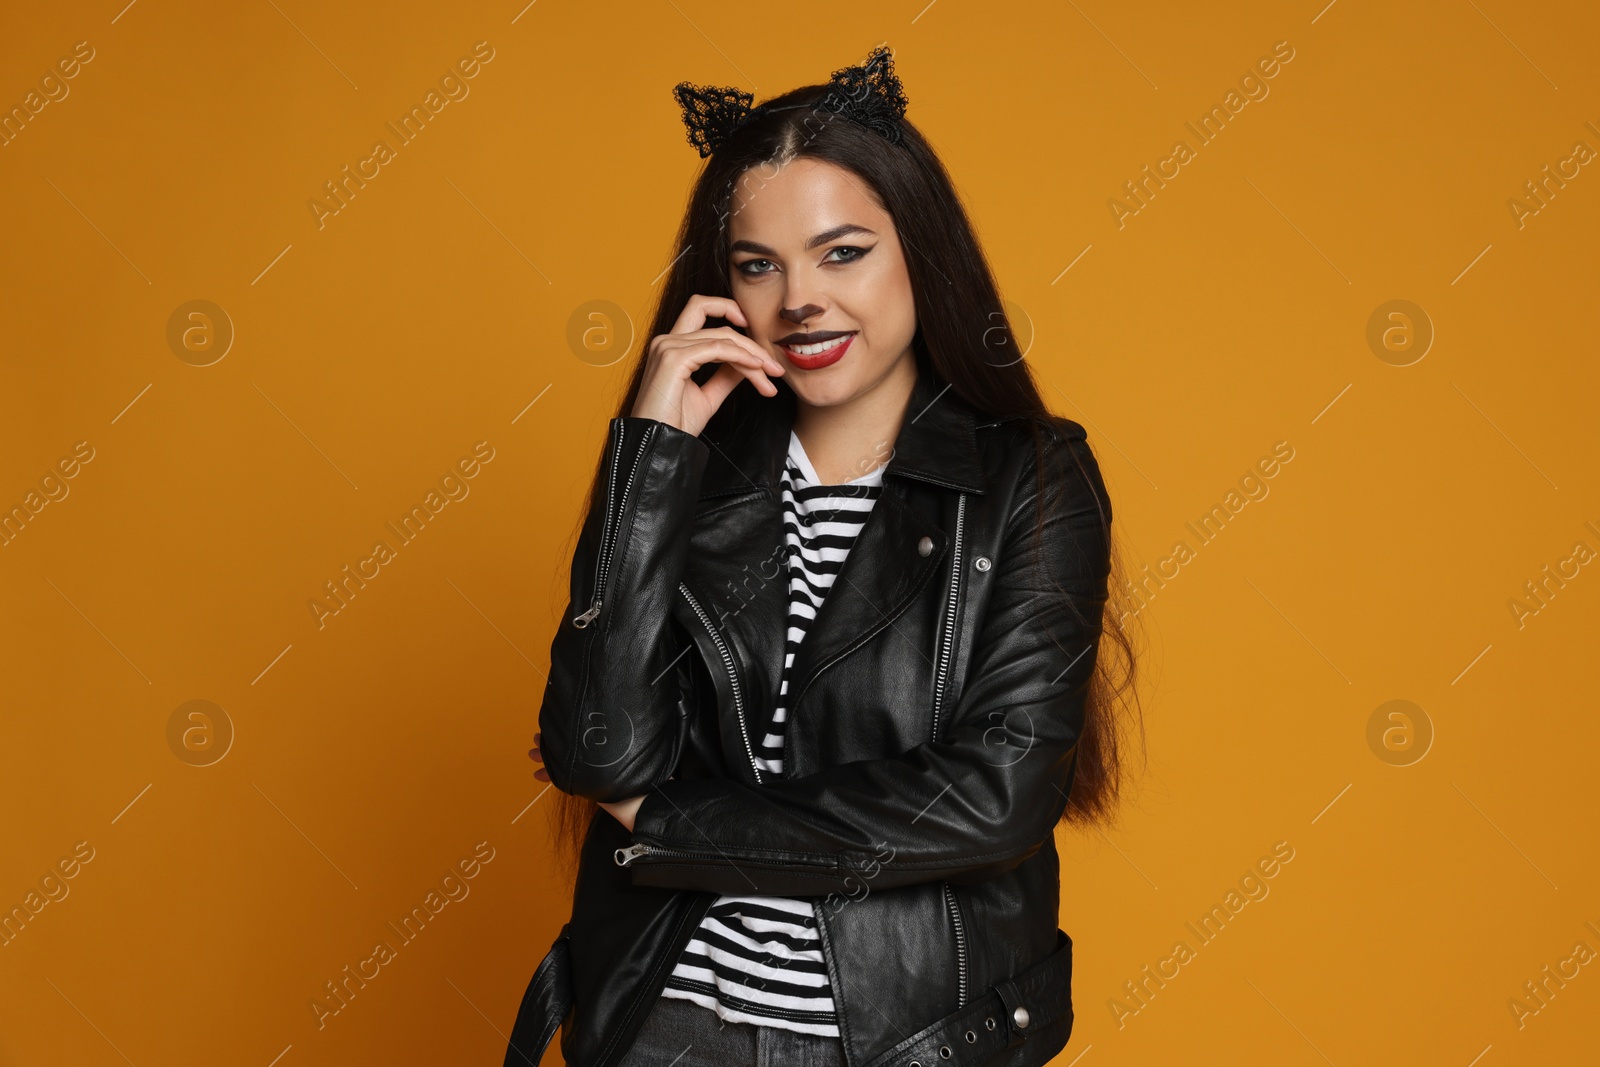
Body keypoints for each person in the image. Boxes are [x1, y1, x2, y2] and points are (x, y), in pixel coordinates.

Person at [506, 43, 1142, 1067]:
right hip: (664, 1026)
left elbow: (993, 796)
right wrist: (649, 458)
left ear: (918, 253)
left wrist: (672, 819)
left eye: (842, 252)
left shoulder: (1031, 478)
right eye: (759, 265)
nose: (799, 298)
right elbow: (592, 749)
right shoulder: (688, 470)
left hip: (906, 1037)